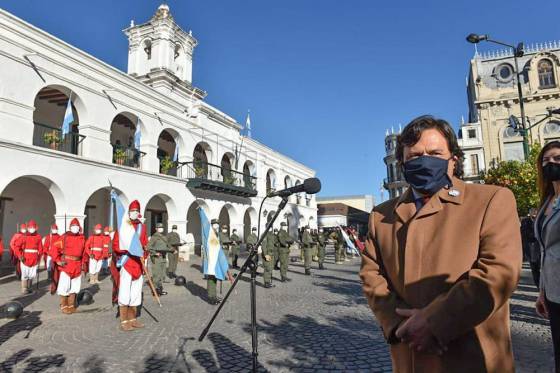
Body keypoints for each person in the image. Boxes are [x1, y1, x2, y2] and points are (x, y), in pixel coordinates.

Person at [360, 115, 521, 373]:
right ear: (402, 163)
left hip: (471, 354)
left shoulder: (491, 200)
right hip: (409, 352)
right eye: (415, 156)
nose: (424, 160)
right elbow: (371, 274)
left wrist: (434, 322)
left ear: (453, 160)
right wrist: (397, 324)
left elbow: (498, 272)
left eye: (435, 153)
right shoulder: (381, 216)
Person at [534, 140, 560, 372]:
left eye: (557, 159)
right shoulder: (548, 200)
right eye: (545, 160)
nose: (550, 163)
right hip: (553, 292)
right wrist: (542, 291)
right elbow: (545, 249)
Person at [112, 200, 148, 331]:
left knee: (136, 292)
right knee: (125, 291)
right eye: (133, 211)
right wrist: (128, 249)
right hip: (127, 262)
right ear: (128, 212)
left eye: (137, 211)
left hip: (138, 263)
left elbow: (144, 243)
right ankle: (124, 320)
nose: (135, 213)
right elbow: (116, 244)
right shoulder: (123, 227)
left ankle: (133, 318)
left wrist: (145, 253)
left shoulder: (142, 227)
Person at [52, 218, 87, 314]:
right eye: (73, 226)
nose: (75, 228)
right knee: (64, 285)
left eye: (76, 226)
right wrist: (58, 260)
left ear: (79, 227)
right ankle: (64, 305)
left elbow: (84, 253)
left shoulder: (82, 238)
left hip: (77, 265)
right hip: (66, 264)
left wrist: (84, 264)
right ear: (70, 227)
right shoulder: (64, 237)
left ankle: (71, 304)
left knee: (75, 286)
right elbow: (54, 248)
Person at [15, 220, 43, 294]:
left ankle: (29, 288)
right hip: (25, 258)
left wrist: (39, 257)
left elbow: (40, 249)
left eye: (33, 227)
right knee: (25, 274)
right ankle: (24, 288)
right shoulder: (24, 237)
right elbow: (17, 246)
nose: (32, 228)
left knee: (32, 274)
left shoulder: (38, 237)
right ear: (28, 228)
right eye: (30, 227)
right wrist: (20, 256)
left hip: (34, 258)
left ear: (36, 228)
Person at [148, 223, 173, 296]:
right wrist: (154, 253)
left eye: (162, 227)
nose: (161, 228)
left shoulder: (163, 237)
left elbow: (166, 246)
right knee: (157, 275)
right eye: (159, 227)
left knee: (162, 274)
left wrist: (172, 250)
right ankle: (155, 291)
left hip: (163, 257)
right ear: (156, 228)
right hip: (157, 258)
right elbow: (149, 247)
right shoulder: (154, 237)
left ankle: (160, 289)